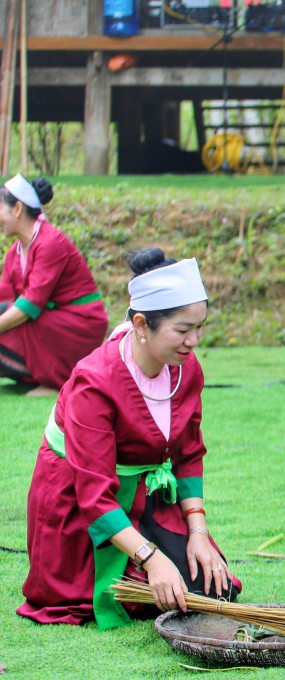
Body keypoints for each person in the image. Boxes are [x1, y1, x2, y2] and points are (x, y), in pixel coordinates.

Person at [17, 249, 239, 629]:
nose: (194, 341)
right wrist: (151, 559)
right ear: (141, 324)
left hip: (142, 496)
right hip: (77, 502)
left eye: (199, 327)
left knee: (214, 590)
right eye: (182, 330)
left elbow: (188, 453)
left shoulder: (186, 369)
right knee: (133, 596)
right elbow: (93, 494)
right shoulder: (94, 382)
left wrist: (198, 532)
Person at [0, 175, 108, 396]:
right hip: (47, 321)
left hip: (78, 324)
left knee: (11, 319)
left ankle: (57, 379)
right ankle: (39, 377)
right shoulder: (14, 252)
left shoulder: (50, 242)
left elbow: (30, 305)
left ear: (17, 209)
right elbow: (5, 297)